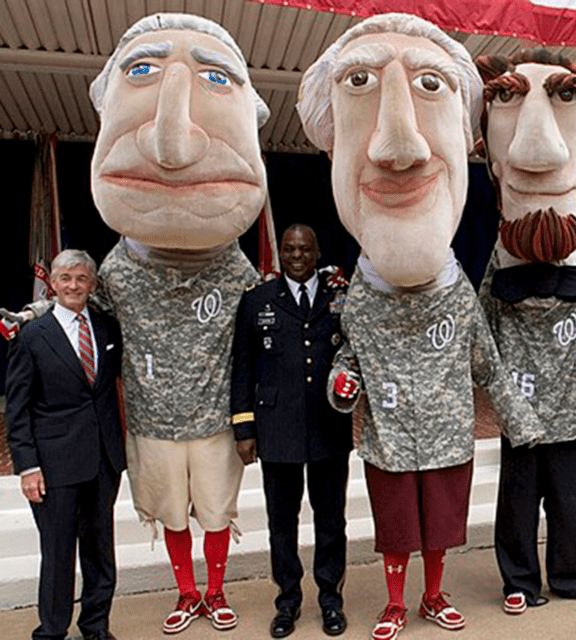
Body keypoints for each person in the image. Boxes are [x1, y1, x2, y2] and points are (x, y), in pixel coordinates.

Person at [4, 13, 271, 634]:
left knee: (213, 514)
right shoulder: (116, 273)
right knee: (171, 516)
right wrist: (37, 316)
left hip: (211, 420)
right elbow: (77, 314)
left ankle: (215, 590)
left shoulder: (236, 274)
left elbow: (269, 320)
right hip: (150, 423)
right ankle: (185, 593)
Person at [297, 13, 541, 640]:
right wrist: (341, 385)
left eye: (430, 87)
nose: (397, 146)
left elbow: (485, 361)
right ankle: (395, 602)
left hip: (446, 435)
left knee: (441, 527)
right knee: (396, 531)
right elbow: (347, 359)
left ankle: (435, 595)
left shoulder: (458, 296)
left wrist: (524, 424)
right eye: (360, 83)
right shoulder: (361, 298)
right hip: (388, 439)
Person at [474, 48, 576, 614]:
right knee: (516, 503)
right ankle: (518, 580)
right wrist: (501, 394)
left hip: (574, 413)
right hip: (523, 411)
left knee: (570, 501)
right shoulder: (499, 262)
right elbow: (482, 334)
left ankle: (569, 573)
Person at [230, 224, 352, 638]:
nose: (296, 255)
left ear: (317, 253)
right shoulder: (257, 300)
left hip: (328, 427)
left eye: (304, 248)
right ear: (280, 252)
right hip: (276, 428)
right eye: (289, 249)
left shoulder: (340, 298)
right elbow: (242, 365)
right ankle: (287, 602)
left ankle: (330, 600)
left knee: (331, 519)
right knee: (282, 522)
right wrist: (243, 427)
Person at [5, 250, 125, 640]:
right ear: (52, 283)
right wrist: (27, 466)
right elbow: (18, 409)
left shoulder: (107, 328)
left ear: (92, 284)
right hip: (53, 466)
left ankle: (96, 627)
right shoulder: (31, 336)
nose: (74, 286)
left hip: (103, 462)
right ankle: (52, 631)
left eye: (81, 278)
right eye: (66, 278)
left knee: (100, 555)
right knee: (57, 556)